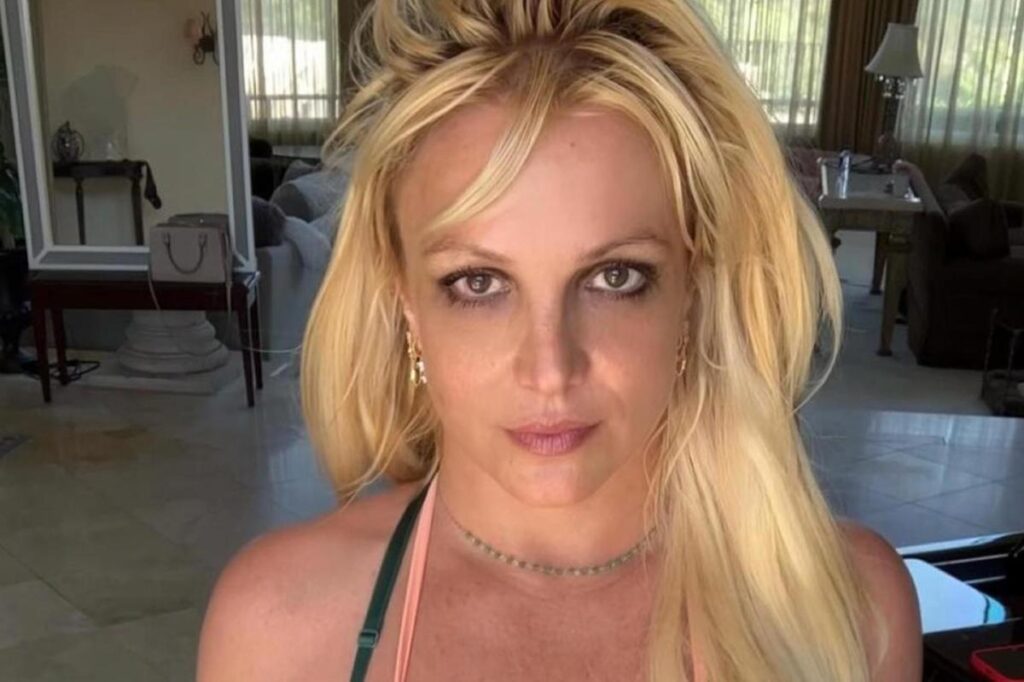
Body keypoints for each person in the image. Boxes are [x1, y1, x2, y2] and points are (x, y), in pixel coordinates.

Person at [197, 1, 922, 680]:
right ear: (406, 305)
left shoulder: (852, 610)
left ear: (693, 290)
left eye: (615, 277)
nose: (550, 370)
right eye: (478, 282)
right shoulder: (277, 629)